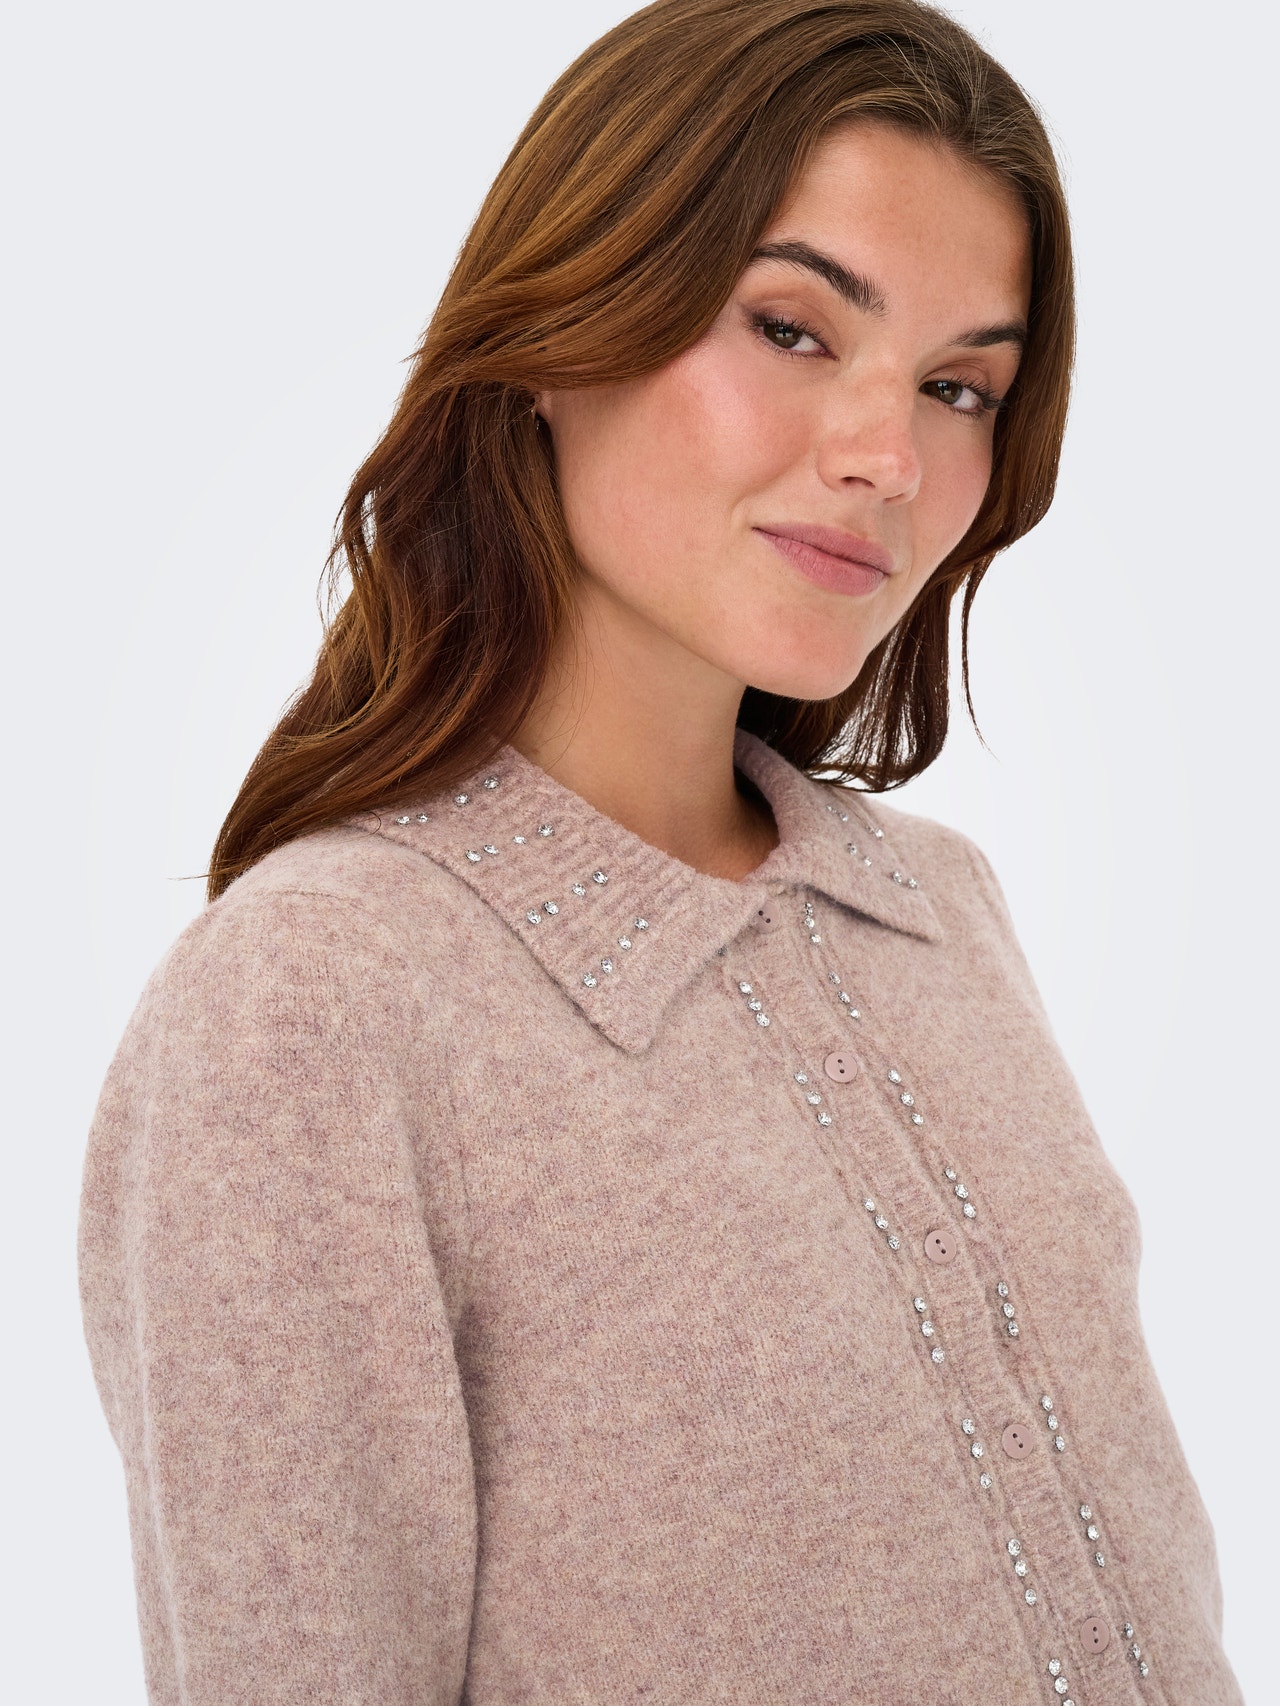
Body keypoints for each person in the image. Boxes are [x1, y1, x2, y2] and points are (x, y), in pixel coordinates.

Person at [77, 1, 1242, 1701]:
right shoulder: (312, 1005)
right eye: (791, 327)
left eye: (958, 387)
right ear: (562, 327)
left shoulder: (941, 908)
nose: (887, 458)